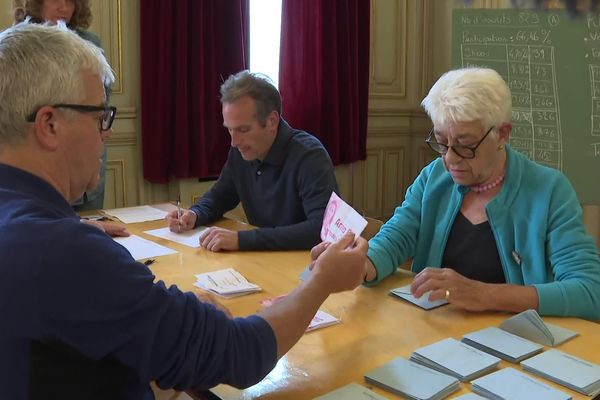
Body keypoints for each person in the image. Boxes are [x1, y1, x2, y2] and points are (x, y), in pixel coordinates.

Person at [0, 23, 369, 399]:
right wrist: (321, 281)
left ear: (271, 120)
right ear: (49, 124)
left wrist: (74, 230)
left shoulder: (39, 235)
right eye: (100, 118)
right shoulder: (60, 250)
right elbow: (239, 353)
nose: (106, 134)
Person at [362, 67, 600, 320]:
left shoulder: (550, 190)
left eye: (465, 145)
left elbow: (590, 291)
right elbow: (397, 237)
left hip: (516, 343)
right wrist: (363, 265)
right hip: (435, 333)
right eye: (442, 143)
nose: (450, 159)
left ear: (503, 134)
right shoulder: (434, 177)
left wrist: (484, 295)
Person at [166, 70, 339, 252]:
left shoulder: (310, 156)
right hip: (264, 260)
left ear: (272, 121)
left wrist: (242, 240)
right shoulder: (241, 152)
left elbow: (320, 229)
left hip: (304, 264)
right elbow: (220, 196)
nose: (234, 142)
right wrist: (195, 214)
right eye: (230, 130)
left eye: (243, 129)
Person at [14, 0, 110, 212]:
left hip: (85, 166)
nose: (64, 8)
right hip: (35, 172)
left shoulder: (90, 44)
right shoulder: (16, 47)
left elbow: (100, 108)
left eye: (70, 1)